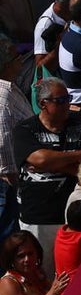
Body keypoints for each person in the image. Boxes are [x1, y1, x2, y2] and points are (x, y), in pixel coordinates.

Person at [12, 76, 81, 275]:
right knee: (43, 272)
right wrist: (79, 155)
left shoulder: (80, 126)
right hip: (38, 217)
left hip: (74, 216)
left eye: (68, 98)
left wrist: (53, 164)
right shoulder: (25, 130)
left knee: (76, 273)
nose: (67, 104)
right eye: (60, 101)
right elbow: (39, 159)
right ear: (43, 104)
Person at [0, 36, 34, 240]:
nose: (21, 63)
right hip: (9, 187)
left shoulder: (9, 87)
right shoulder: (3, 99)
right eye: (16, 59)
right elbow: (3, 145)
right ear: (5, 65)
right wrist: (16, 185)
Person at [33, 0, 81, 71]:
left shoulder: (76, 12)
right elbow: (40, 68)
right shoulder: (45, 25)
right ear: (69, 1)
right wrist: (61, 43)